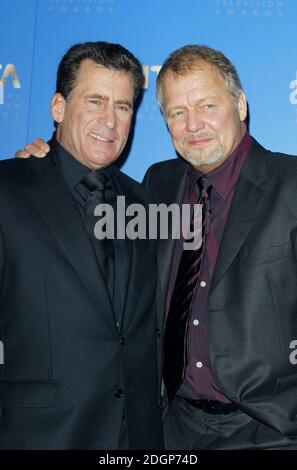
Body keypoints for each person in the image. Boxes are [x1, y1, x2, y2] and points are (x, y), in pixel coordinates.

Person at [17, 44, 297, 450]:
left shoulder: (290, 184)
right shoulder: (157, 186)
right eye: (177, 113)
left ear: (240, 105)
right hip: (171, 429)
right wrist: (45, 168)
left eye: (207, 106)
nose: (194, 125)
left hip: (271, 430)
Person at [0, 41, 163, 450]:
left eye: (123, 106)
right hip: (42, 437)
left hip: (137, 439)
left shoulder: (143, 202)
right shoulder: (7, 189)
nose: (110, 120)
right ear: (59, 108)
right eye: (95, 101)